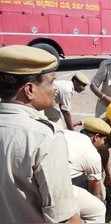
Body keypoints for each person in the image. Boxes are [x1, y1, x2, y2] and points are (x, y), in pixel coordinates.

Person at [0, 45, 79, 223]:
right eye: (51, 82)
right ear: (29, 90)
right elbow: (63, 216)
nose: (55, 89)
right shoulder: (43, 137)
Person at [63, 118, 110, 223]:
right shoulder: (93, 154)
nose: (104, 143)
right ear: (96, 137)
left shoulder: (67, 133)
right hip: (58, 189)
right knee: (98, 210)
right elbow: (96, 193)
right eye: (104, 140)